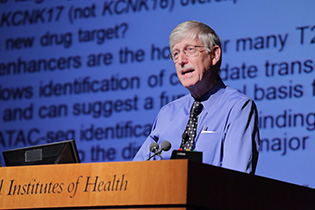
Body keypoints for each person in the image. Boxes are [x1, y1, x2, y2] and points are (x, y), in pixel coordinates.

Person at [133, 20, 260, 174]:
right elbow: (136, 173)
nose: (181, 61)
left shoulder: (237, 108)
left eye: (190, 50)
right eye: (176, 53)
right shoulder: (167, 114)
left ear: (214, 55)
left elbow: (236, 180)